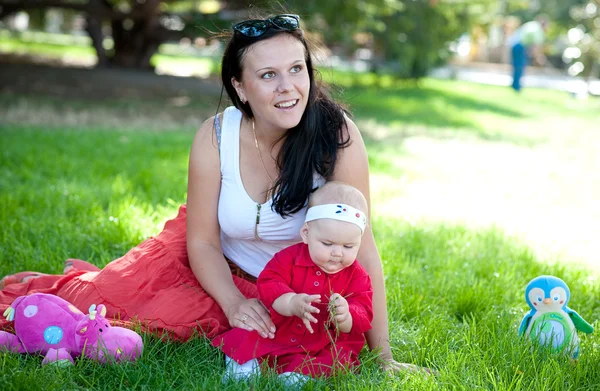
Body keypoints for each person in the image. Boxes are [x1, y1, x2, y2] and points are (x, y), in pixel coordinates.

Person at [0, 13, 419, 374]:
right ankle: (36, 306)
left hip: (291, 289)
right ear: (240, 87)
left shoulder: (337, 135)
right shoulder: (216, 136)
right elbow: (201, 240)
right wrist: (234, 302)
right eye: (268, 75)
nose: (288, 87)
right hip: (212, 268)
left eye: (296, 69)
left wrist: (383, 356)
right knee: (108, 302)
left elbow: (362, 249)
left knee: (277, 347)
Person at [213, 182, 373, 385]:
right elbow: (269, 282)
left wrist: (346, 315)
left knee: (336, 356)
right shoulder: (288, 258)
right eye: (327, 243)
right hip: (280, 327)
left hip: (322, 339)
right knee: (252, 331)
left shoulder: (357, 276)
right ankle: (243, 366)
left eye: (349, 246)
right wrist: (290, 302)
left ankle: (300, 375)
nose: (337, 253)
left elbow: (364, 311)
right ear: (306, 234)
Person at [508, 15, 549, 92]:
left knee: (517, 66)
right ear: (544, 25)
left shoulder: (532, 24)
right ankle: (516, 87)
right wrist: (539, 57)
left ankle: (515, 85)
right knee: (520, 66)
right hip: (520, 46)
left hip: (514, 44)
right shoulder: (538, 30)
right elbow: (535, 46)